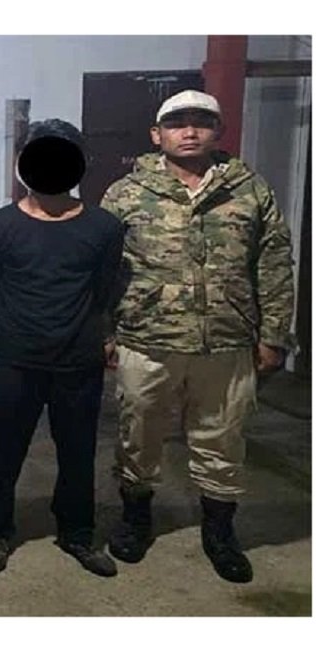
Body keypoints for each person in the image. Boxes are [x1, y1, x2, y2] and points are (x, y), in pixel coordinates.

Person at [101, 90, 295, 584]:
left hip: (226, 341)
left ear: (218, 131)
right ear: (157, 134)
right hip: (147, 338)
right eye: (177, 123)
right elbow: (100, 269)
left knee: (222, 439)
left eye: (201, 122)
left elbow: (273, 263)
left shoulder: (249, 190)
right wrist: (104, 333)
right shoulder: (125, 193)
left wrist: (274, 333)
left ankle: (220, 532)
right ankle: (136, 519)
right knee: (139, 436)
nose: (189, 132)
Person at [0, 119, 123, 577]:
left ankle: (77, 532)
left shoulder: (104, 227)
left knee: (78, 452)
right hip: (12, 360)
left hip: (78, 360)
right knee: (2, 450)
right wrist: (22, 329)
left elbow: (105, 290)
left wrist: (88, 334)